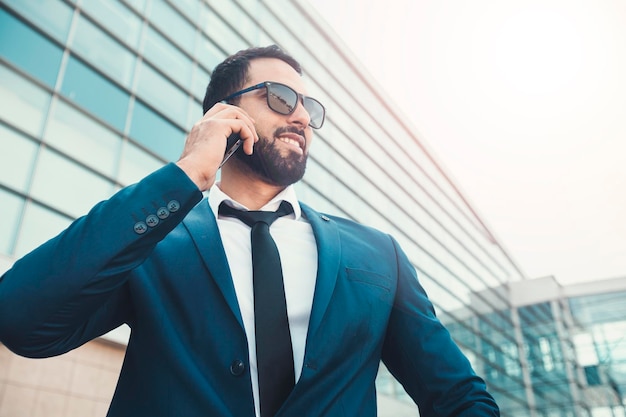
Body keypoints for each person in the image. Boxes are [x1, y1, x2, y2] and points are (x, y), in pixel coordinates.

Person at [0, 45, 499, 416]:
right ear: (226, 112)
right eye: (281, 98)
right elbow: (21, 320)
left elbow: (456, 396)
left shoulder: (377, 254)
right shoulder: (152, 242)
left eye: (309, 108)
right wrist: (187, 176)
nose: (302, 116)